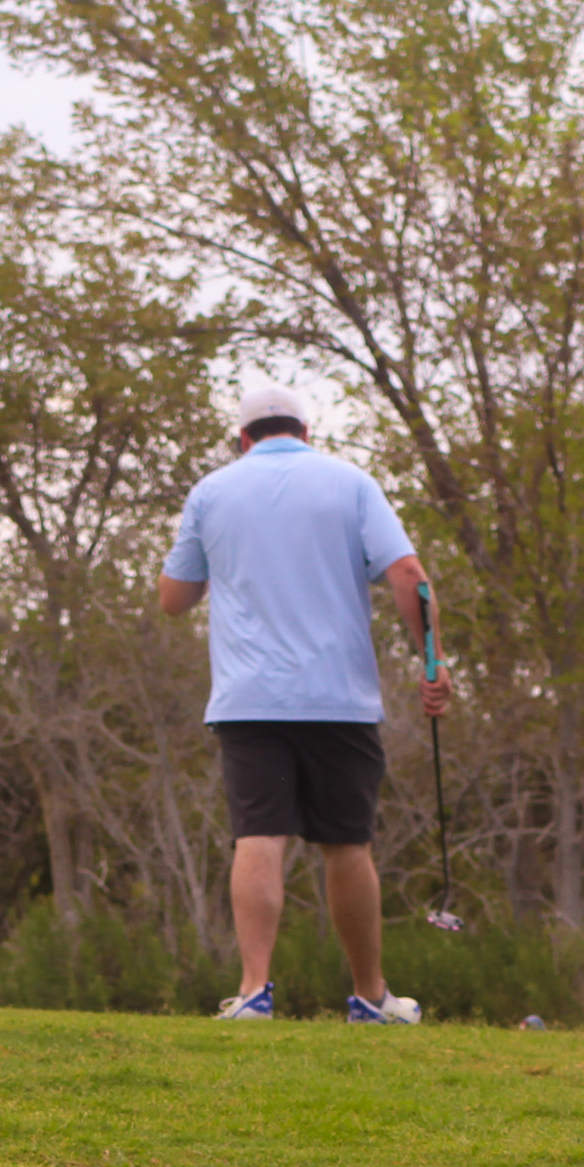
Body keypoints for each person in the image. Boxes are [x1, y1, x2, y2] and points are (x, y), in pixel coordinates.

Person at [160, 384, 453, 1023]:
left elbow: (173, 598)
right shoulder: (351, 484)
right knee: (346, 844)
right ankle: (370, 996)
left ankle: (253, 993)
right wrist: (432, 665)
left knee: (258, 835)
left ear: (243, 438)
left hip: (249, 700)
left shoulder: (212, 491)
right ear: (306, 431)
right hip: (338, 698)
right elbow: (409, 575)